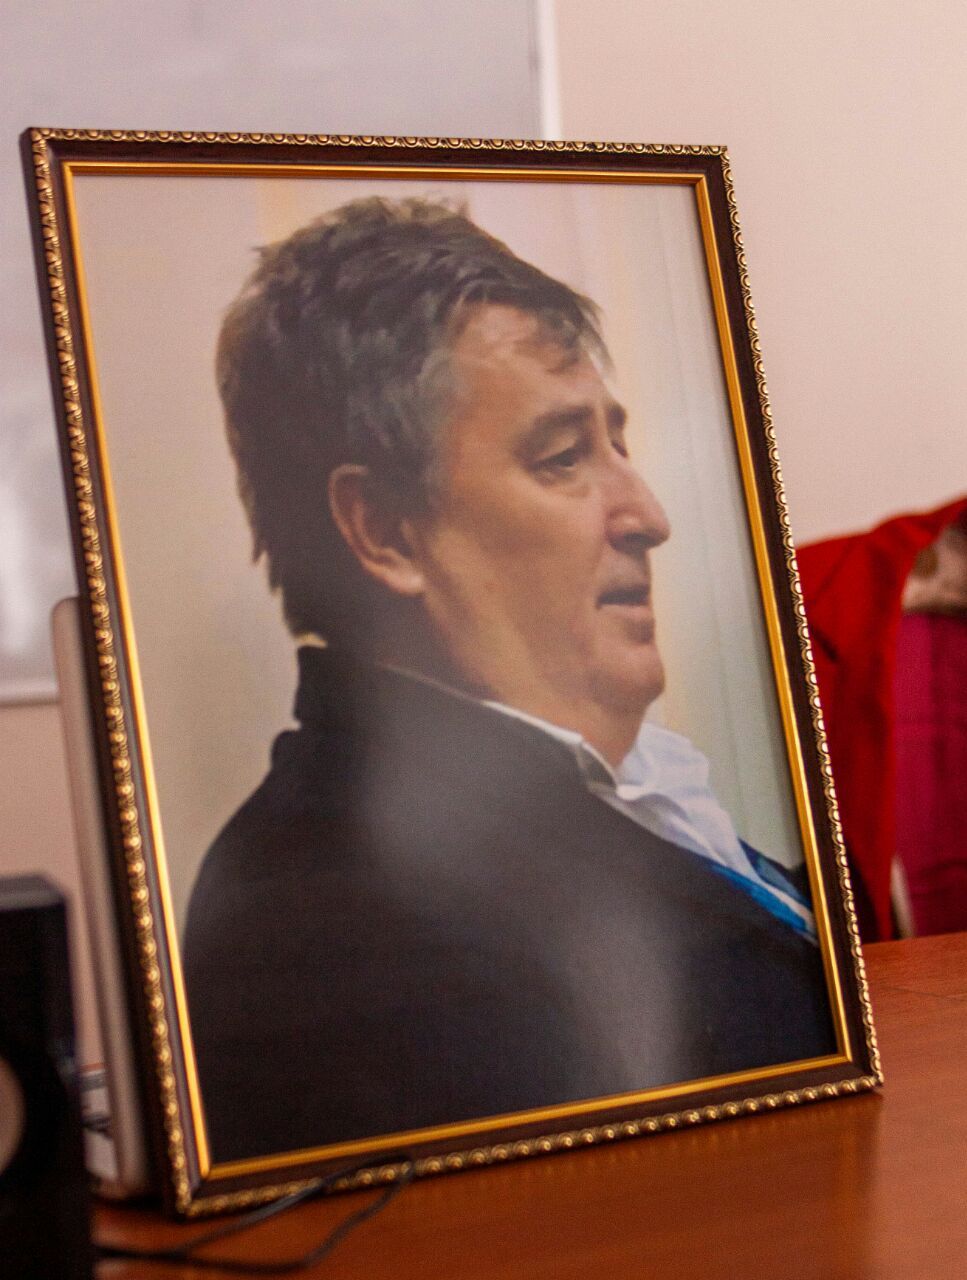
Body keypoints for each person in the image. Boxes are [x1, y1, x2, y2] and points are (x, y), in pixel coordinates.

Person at [184, 197, 834, 1162]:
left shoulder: (614, 786)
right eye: (563, 457)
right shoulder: (326, 917)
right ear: (384, 531)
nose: (647, 514)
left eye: (619, 445)